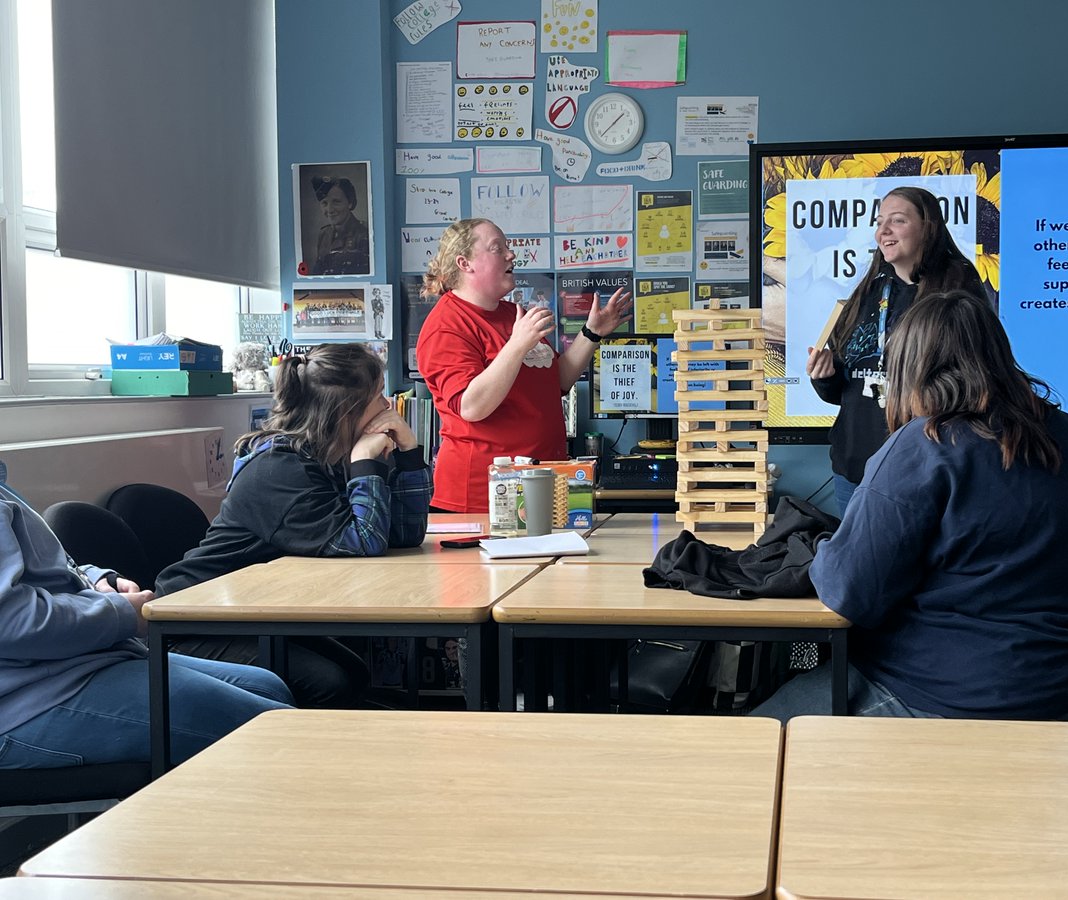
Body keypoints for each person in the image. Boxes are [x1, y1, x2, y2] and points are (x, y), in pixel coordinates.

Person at [753, 290, 1068, 722]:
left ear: (911, 369)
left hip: (938, 697)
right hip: (1061, 698)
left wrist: (820, 551)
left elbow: (848, 593)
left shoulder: (927, 446)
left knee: (746, 751)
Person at [156, 342, 432, 707]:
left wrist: (409, 451)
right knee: (330, 683)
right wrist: (366, 462)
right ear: (345, 411)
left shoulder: (329, 455)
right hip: (196, 620)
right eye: (378, 396)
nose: (387, 407)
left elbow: (405, 535)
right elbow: (365, 542)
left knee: (353, 671)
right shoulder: (279, 468)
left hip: (255, 611)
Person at [0, 475, 293, 769]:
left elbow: (42, 570)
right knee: (280, 734)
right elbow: (11, 621)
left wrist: (99, 579)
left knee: (267, 687)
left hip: (68, 666)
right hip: (28, 699)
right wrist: (123, 614)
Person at [415, 218, 631, 513]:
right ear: (465, 263)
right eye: (497, 248)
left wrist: (591, 332)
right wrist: (516, 345)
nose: (510, 255)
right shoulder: (447, 325)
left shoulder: (513, 313)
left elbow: (557, 382)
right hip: (480, 501)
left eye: (508, 247)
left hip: (539, 487)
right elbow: (471, 407)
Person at [808, 186, 987, 515]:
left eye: (898, 221)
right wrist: (825, 376)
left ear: (928, 227)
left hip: (922, 468)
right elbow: (845, 390)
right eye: (880, 222)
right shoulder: (869, 290)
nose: (883, 231)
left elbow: (974, 383)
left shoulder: (957, 290)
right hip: (854, 469)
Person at [310, 175, 370, 276]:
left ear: (350, 203)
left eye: (336, 202)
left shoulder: (365, 233)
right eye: (324, 203)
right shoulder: (324, 234)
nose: (329, 210)